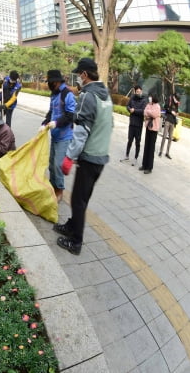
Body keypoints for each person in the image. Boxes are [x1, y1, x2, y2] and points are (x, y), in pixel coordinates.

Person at [53, 58, 113, 255]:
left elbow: (82, 130)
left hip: (89, 159)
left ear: (85, 75)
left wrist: (69, 156)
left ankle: (76, 242)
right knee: (82, 198)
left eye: (79, 75)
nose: (78, 79)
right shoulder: (105, 95)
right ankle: (71, 225)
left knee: (78, 201)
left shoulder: (89, 96)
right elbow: (107, 125)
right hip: (100, 157)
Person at [39, 69, 76, 202]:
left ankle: (59, 190)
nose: (49, 84)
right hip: (55, 135)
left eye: (50, 82)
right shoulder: (54, 94)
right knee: (51, 164)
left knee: (58, 165)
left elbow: (70, 115)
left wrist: (57, 123)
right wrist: (45, 123)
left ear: (56, 81)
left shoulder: (67, 94)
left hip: (65, 135)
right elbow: (51, 112)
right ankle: (52, 186)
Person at [122, 85, 147, 166]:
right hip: (132, 123)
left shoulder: (144, 100)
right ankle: (126, 156)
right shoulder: (132, 98)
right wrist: (130, 109)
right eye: (137, 92)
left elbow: (143, 111)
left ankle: (135, 158)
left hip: (139, 124)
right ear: (135, 92)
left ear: (141, 91)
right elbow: (127, 106)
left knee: (137, 142)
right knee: (129, 140)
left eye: (140, 91)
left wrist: (134, 110)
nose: (138, 93)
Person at [139, 94, 161, 174]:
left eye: (151, 97)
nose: (149, 98)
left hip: (154, 129)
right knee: (146, 146)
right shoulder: (149, 104)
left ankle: (149, 167)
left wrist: (149, 112)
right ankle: (144, 165)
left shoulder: (157, 106)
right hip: (148, 127)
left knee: (151, 148)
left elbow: (154, 114)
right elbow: (144, 112)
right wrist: (149, 113)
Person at [159, 92, 179, 159]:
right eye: (176, 98)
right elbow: (165, 106)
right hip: (168, 120)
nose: (177, 100)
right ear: (174, 96)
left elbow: (176, 110)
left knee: (170, 138)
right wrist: (171, 111)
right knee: (164, 136)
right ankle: (161, 151)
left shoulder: (177, 102)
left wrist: (176, 113)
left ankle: (167, 152)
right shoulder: (169, 99)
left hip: (173, 122)